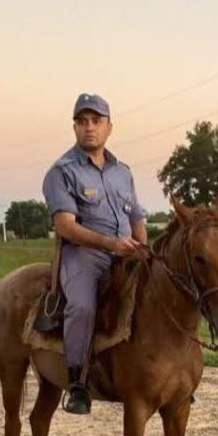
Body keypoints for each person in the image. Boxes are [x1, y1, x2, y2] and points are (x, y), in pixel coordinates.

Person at [42, 93, 147, 414]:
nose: (90, 127)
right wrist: (111, 244)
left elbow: (137, 219)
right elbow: (65, 226)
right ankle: (77, 383)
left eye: (96, 121)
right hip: (85, 255)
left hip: (128, 252)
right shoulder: (62, 172)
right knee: (83, 307)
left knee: (163, 290)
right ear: (75, 128)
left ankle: (167, 372)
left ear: (108, 127)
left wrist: (142, 247)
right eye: (82, 122)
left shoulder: (122, 172)